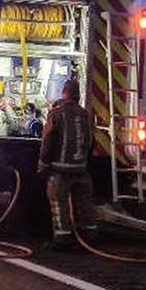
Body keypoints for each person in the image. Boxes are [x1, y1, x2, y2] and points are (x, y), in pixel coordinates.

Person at [38, 79, 96, 250]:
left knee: (58, 201)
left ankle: (62, 239)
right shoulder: (86, 115)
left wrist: (43, 164)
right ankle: (89, 236)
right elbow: (91, 141)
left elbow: (48, 140)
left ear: (64, 92)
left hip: (60, 169)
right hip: (81, 168)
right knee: (84, 202)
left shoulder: (56, 114)